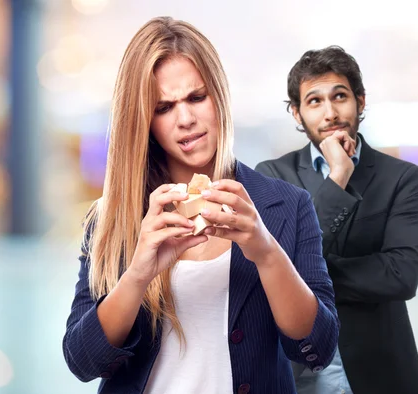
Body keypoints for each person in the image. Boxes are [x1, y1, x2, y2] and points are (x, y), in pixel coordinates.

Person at [62, 17, 339, 394]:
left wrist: (265, 251)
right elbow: (82, 361)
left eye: (196, 97)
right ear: (144, 121)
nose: (186, 119)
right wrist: (139, 274)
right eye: (163, 108)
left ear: (219, 95)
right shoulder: (113, 219)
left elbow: (316, 350)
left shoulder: (287, 207)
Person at [256, 46, 418, 394]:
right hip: (296, 372)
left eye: (340, 96)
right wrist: (338, 176)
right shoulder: (272, 176)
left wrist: (300, 278)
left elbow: (401, 276)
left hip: (379, 372)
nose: (331, 112)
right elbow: (272, 268)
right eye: (315, 101)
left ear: (360, 102)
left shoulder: (401, 178)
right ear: (297, 113)